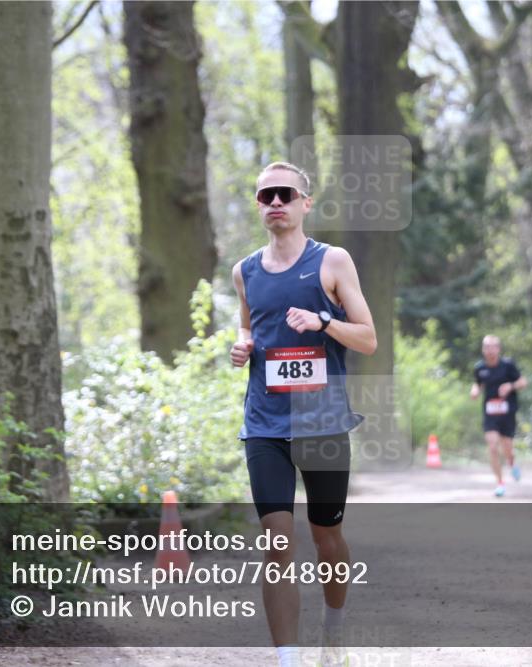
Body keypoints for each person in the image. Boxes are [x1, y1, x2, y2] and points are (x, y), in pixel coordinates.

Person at [230, 161, 377, 667]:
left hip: (323, 423)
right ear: (258, 205)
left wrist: (323, 320)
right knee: (276, 541)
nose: (275, 202)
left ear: (303, 203)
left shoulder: (332, 262)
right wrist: (241, 346)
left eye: (284, 194)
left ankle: (333, 627)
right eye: (266, 195)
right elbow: (250, 330)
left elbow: (368, 338)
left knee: (326, 538)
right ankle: (287, 658)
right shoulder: (244, 271)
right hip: (265, 425)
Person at [470, 335, 527, 497]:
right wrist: (475, 390)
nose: (489, 350)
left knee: (508, 448)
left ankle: (512, 462)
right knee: (493, 446)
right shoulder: (480, 368)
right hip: (490, 413)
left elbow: (523, 382)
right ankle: (500, 483)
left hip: (507, 413)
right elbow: (478, 383)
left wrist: (510, 385)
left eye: (493, 347)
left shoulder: (508, 365)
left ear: (498, 349)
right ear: (483, 349)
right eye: (486, 347)